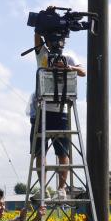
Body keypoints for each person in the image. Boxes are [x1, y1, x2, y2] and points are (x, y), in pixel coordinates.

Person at [30, 19, 86, 200]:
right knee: (39, 152)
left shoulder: (69, 57)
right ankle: (43, 188)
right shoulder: (43, 55)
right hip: (42, 109)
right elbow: (36, 37)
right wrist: (45, 17)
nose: (56, 44)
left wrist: (68, 67)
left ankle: (62, 189)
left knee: (63, 152)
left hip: (61, 110)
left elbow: (83, 72)